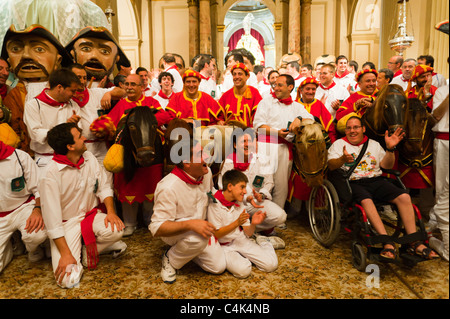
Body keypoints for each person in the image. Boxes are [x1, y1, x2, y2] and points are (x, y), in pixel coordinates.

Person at [327, 115, 439, 260]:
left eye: (356, 127)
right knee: (367, 200)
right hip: (353, 182)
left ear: (363, 129)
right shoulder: (338, 144)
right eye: (349, 128)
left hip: (376, 180)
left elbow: (386, 166)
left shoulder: (373, 144)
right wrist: (342, 159)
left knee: (404, 196)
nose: (352, 131)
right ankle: (387, 243)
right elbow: (330, 166)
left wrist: (390, 149)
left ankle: (414, 241)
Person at [39, 122, 126, 288]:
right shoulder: (49, 175)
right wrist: (66, 255)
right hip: (66, 225)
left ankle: (88, 251)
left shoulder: (89, 158)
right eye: (80, 137)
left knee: (116, 230)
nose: (85, 138)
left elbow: (104, 187)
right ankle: (69, 249)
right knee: (67, 281)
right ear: (70, 146)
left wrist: (111, 212)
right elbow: (52, 221)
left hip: (90, 216)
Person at [149, 138, 226, 283]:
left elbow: (210, 193)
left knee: (218, 267)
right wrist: (191, 224)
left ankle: (189, 251)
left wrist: (230, 197)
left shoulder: (207, 172)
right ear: (186, 162)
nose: (207, 157)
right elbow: (156, 228)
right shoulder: (168, 187)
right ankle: (170, 259)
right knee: (197, 239)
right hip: (175, 231)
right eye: (200, 154)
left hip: (199, 228)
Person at [1, 24, 73, 156]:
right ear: (9, 62)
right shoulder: (11, 96)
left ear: (58, 60)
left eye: (39, 49)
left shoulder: (66, 93)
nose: (26, 56)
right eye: (16, 49)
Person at [253, 74, 314, 209]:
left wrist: (299, 118)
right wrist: (277, 132)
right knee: (261, 180)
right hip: (265, 146)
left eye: (280, 85)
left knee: (281, 184)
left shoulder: (297, 107)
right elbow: (258, 125)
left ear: (290, 87)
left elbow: (311, 119)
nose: (276, 88)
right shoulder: (266, 102)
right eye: (275, 85)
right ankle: (257, 212)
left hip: (284, 148)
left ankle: (277, 215)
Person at [218, 127, 287, 240]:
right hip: (236, 204)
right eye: (243, 141)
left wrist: (262, 195)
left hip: (256, 201)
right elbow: (224, 188)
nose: (247, 145)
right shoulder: (228, 163)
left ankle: (252, 228)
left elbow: (269, 182)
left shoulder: (262, 160)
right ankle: (244, 228)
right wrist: (246, 197)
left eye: (249, 141)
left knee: (281, 216)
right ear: (235, 145)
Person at [208, 169, 278, 279]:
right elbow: (216, 235)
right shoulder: (214, 204)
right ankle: (244, 257)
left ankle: (265, 244)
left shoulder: (238, 201)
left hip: (240, 240)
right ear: (230, 187)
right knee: (243, 271)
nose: (245, 192)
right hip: (224, 246)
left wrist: (253, 224)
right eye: (242, 187)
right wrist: (237, 223)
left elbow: (248, 233)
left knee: (271, 265)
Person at [23, 68, 82, 176]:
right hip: (45, 160)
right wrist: (66, 128)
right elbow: (35, 134)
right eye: (72, 91)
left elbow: (79, 132)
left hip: (70, 158)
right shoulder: (34, 105)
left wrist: (74, 127)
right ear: (59, 87)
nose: (74, 94)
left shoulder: (73, 105)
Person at [0, 138, 47, 274]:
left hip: (23, 207)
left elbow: (39, 188)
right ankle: (9, 246)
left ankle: (33, 248)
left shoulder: (19, 157)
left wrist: (37, 210)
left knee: (36, 235)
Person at [69, 63, 125, 165]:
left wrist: (109, 94)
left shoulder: (96, 93)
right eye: (78, 78)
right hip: (79, 149)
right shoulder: (65, 99)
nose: (82, 81)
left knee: (105, 179)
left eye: (84, 78)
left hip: (101, 148)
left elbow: (122, 91)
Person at [65, 26, 131, 89]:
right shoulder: (64, 90)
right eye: (86, 48)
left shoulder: (115, 94)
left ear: (116, 59)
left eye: (105, 51)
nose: (94, 56)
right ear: (73, 53)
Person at [428, 83, 449, 261]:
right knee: (442, 185)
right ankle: (440, 224)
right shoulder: (442, 90)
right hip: (444, 140)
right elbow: (435, 116)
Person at [106, 74, 172, 128]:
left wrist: (143, 121)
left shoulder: (151, 101)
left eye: (133, 84)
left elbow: (164, 116)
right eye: (127, 84)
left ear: (142, 87)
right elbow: (107, 123)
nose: (129, 87)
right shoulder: (121, 104)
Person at [218, 63, 262, 127]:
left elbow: (259, 117)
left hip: (249, 133)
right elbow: (219, 116)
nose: (237, 77)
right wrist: (220, 121)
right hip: (229, 134)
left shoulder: (254, 93)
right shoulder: (226, 96)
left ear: (247, 77)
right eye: (234, 74)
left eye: (240, 74)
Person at [295, 77, 337, 142]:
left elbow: (330, 129)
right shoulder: (294, 104)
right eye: (308, 89)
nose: (311, 92)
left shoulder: (319, 104)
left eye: (313, 89)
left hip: (317, 142)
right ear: (301, 90)